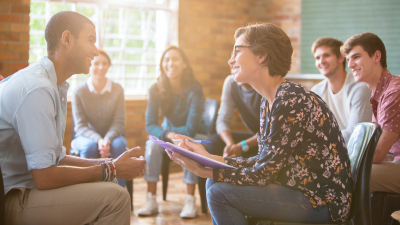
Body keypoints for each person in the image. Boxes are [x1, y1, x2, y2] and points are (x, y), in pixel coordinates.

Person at [165, 23, 353, 224]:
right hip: (298, 189)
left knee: (218, 192)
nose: (231, 59)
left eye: (237, 51)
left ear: (262, 55)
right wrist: (209, 157)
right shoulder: (270, 100)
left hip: (322, 201)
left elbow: (262, 174)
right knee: (214, 182)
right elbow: (262, 162)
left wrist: (203, 170)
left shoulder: (290, 99)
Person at [0, 11, 146, 225]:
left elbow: (56, 159)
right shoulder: (37, 89)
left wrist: (110, 163)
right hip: (14, 198)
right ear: (67, 39)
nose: (96, 51)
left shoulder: (54, 85)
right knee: (117, 198)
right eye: (90, 41)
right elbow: (45, 177)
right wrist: (110, 169)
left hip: (29, 186)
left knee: (111, 183)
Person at [137, 45, 207, 218]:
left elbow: (190, 128)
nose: (170, 63)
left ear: (184, 64)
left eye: (175, 59)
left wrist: (173, 136)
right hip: (168, 134)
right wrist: (169, 135)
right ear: (162, 65)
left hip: (194, 134)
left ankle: (190, 199)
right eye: (166, 60)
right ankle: (151, 198)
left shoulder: (195, 90)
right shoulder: (156, 89)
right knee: (151, 146)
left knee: (186, 145)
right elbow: (150, 124)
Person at [342, 32, 400, 194]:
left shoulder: (394, 92)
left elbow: (378, 154)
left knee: (346, 175)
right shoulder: (380, 91)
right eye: (348, 60)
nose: (351, 65)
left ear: (376, 56)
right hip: (394, 160)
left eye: (356, 57)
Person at [71, 48, 127, 187]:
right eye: (96, 64)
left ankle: (119, 192)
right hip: (85, 137)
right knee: (89, 147)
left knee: (119, 145)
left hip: (112, 136)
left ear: (109, 65)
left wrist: (107, 139)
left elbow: (119, 122)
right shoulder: (78, 91)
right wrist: (98, 140)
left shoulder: (118, 89)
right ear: (90, 64)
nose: (100, 67)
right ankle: (89, 193)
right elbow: (80, 126)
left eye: (104, 63)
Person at [311, 37, 372, 143]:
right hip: (329, 152)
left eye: (326, 55)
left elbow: (356, 135)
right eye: (317, 58)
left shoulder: (360, 88)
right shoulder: (316, 91)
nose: (321, 61)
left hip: (356, 155)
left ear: (340, 58)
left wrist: (318, 138)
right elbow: (312, 129)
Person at [206, 74, 261, 158]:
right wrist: (230, 144)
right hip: (255, 137)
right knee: (213, 142)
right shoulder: (231, 82)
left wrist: (242, 145)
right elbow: (222, 120)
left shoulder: (265, 83)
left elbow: (272, 131)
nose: (232, 63)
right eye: (232, 67)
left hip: (272, 139)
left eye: (238, 65)